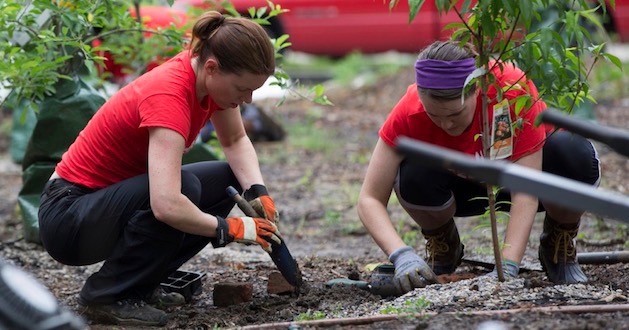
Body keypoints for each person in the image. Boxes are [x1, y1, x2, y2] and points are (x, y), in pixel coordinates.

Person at [38, 11, 281, 326]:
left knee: (228, 180)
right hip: (69, 217)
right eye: (242, 89)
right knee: (184, 190)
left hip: (104, 205)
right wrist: (232, 228)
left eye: (253, 91)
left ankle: (141, 282)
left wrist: (258, 192)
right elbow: (165, 205)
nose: (247, 100)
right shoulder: (170, 95)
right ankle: (108, 294)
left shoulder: (208, 85)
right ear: (212, 68)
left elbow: (235, 140)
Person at [357, 40, 601, 294]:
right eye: (434, 116)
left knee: (573, 154)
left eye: (455, 114)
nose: (446, 125)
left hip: (530, 183)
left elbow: (526, 189)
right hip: (462, 188)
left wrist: (507, 266)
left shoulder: (510, 90)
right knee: (411, 174)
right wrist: (401, 254)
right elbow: (369, 198)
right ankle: (444, 243)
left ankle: (558, 242)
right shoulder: (409, 110)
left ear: (476, 91)